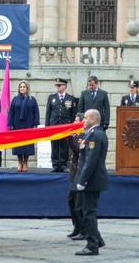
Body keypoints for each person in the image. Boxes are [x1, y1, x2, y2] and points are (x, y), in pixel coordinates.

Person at [73, 109, 108, 256]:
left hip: (90, 181)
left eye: (86, 118)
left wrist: (83, 180)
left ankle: (92, 245)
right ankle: (97, 239)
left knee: (88, 213)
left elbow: (90, 161)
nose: (83, 121)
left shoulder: (95, 135)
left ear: (93, 119)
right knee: (81, 209)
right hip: (91, 180)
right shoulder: (92, 133)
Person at [8, 80, 40, 172]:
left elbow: (36, 112)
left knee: (27, 144)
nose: (22, 88)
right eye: (21, 87)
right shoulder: (15, 99)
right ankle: (19, 162)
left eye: (24, 87)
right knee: (18, 144)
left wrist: (35, 124)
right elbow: (11, 112)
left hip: (28, 124)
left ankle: (25, 162)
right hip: (17, 124)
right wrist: (10, 124)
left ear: (27, 88)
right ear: (19, 88)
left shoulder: (32, 99)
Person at [45, 78, 77, 172]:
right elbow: (48, 113)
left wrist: (72, 127)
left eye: (59, 85)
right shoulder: (52, 97)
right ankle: (55, 164)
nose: (58, 87)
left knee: (64, 145)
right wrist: (47, 126)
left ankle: (63, 164)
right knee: (54, 145)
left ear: (64, 86)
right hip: (54, 125)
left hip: (65, 126)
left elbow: (73, 114)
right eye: (57, 85)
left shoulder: (70, 98)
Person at [67, 113, 84, 239]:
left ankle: (82, 229)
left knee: (79, 203)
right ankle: (76, 227)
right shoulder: (76, 134)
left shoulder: (84, 135)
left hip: (80, 172)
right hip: (74, 171)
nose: (74, 122)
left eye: (77, 120)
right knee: (71, 200)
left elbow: (78, 149)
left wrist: (71, 137)